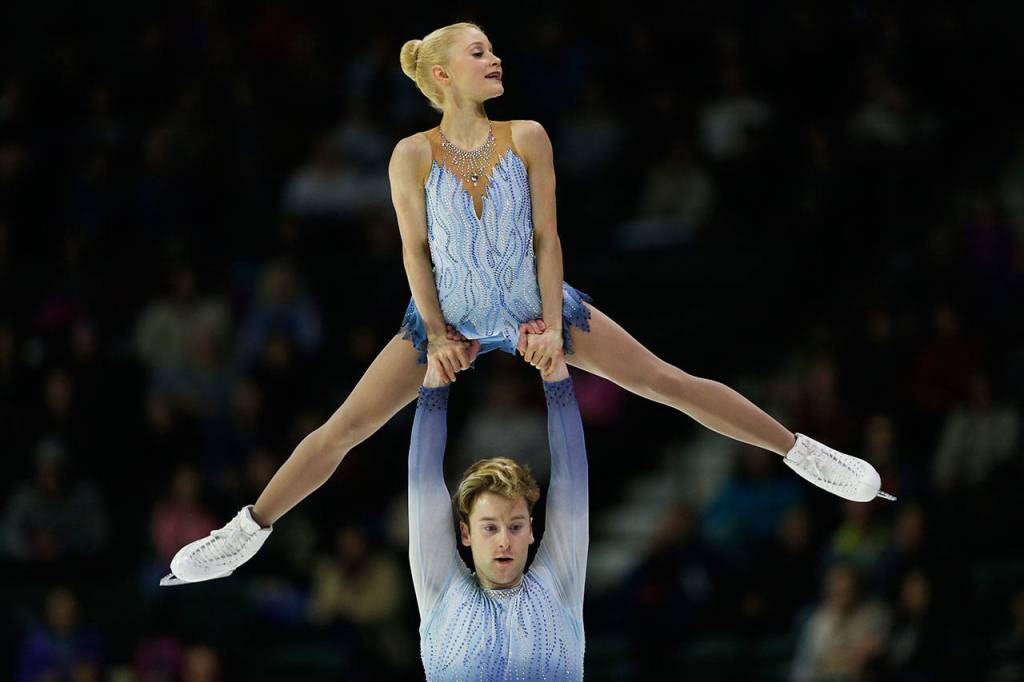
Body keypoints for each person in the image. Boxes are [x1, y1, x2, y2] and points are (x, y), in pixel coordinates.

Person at [161, 21, 891, 587]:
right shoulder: (410, 155)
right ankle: (245, 531)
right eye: (480, 53)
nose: (495, 60)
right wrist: (440, 335)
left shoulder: (529, 137)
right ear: (444, 73)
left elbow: (547, 238)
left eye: (495, 50)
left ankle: (802, 452)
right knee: (345, 426)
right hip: (440, 318)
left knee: (665, 381)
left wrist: (545, 323)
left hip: (536, 306)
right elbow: (415, 254)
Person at [410, 341, 587, 679]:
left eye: (516, 526)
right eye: (490, 527)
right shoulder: (441, 592)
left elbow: (572, 482)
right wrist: (435, 376)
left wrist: (556, 375)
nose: (504, 541)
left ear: (532, 529)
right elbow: (423, 485)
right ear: (466, 533)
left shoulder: (560, 584)